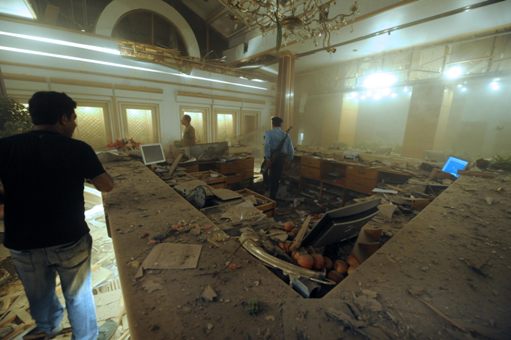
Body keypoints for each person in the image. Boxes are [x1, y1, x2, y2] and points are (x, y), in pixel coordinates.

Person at [0, 91, 114, 340]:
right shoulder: (78, 149)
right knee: (79, 296)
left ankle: (49, 330)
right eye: (73, 118)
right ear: (63, 118)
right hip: (69, 239)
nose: (75, 123)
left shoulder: (5, 147)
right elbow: (106, 185)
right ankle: (85, 337)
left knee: (39, 296)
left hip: (23, 242)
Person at [263, 116, 294, 200]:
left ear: (272, 124)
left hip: (272, 158)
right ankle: (273, 195)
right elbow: (291, 149)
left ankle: (270, 195)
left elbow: (266, 146)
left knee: (267, 174)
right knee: (277, 177)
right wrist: (289, 160)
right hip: (281, 159)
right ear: (281, 125)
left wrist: (268, 158)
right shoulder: (285, 135)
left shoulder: (268, 133)